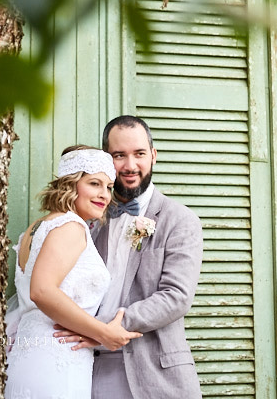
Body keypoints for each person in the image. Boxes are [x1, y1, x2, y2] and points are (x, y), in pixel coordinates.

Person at [54, 115, 204, 399]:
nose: (130, 165)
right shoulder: (86, 222)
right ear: (106, 161)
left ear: (153, 156)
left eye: (139, 154)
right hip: (86, 364)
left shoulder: (180, 220)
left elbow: (176, 296)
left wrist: (104, 328)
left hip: (156, 370)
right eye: (119, 155)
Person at [5, 145, 142, 399]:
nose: (105, 195)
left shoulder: (36, 228)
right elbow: (42, 291)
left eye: (109, 187)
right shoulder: (71, 226)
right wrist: (103, 333)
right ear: (71, 184)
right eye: (94, 184)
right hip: (57, 361)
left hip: (28, 358)